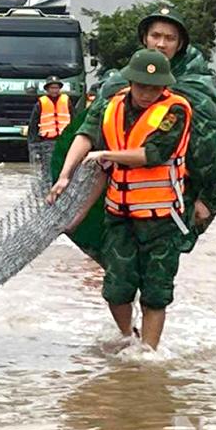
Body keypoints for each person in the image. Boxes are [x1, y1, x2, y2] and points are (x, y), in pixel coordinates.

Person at [48, 50, 191, 351]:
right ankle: (130, 337)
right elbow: (90, 148)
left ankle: (149, 356)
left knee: (156, 292)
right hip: (120, 217)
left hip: (162, 219)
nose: (147, 93)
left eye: (155, 87)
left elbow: (153, 154)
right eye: (142, 86)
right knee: (116, 289)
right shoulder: (111, 107)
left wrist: (106, 154)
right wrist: (65, 177)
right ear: (130, 81)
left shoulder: (176, 110)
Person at [27, 76, 74, 145]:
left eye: (56, 88)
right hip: (47, 140)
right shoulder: (41, 103)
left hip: (65, 139)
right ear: (47, 89)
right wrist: (34, 140)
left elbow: (74, 119)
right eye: (52, 88)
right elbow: (33, 123)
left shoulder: (66, 101)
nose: (54, 90)